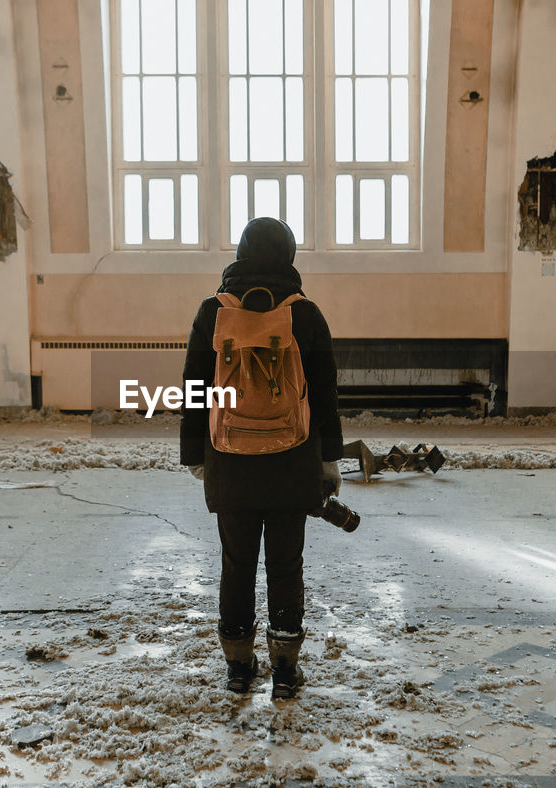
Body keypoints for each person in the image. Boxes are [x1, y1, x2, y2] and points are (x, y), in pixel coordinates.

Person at [180, 217, 343, 700]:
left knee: (237, 563)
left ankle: (238, 667)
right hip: (293, 462)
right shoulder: (306, 313)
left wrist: (196, 456)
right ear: (290, 256)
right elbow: (326, 395)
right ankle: (286, 671)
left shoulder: (213, 311)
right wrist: (328, 461)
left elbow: (192, 390)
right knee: (286, 564)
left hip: (229, 461)